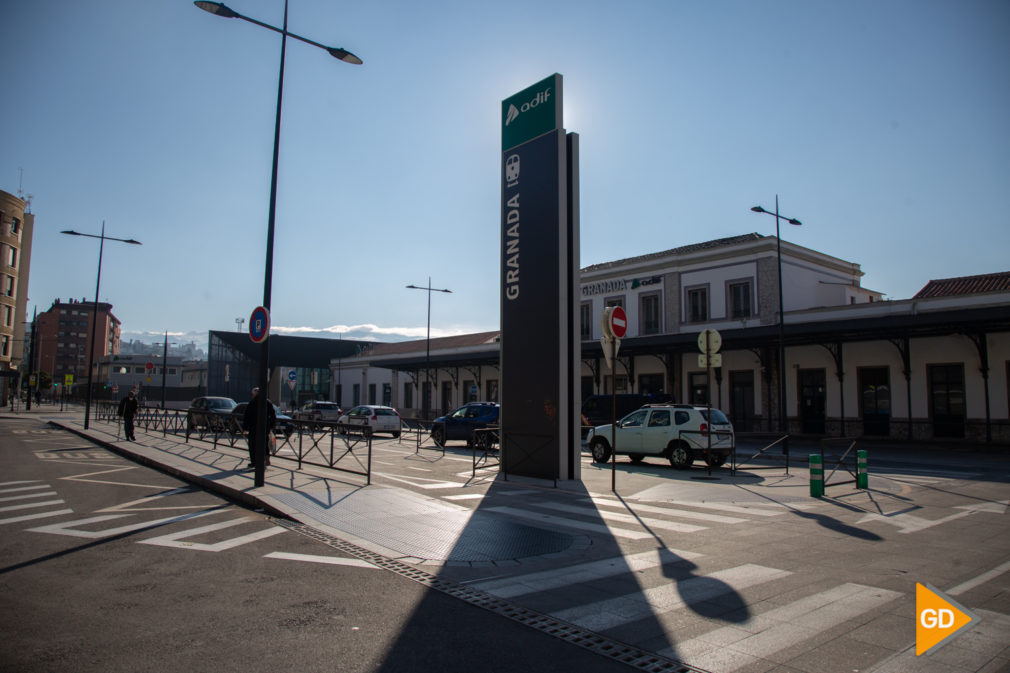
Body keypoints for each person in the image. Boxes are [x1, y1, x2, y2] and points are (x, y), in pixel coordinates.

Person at [243, 388, 276, 469]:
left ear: (255, 394)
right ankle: (266, 457)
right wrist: (271, 425)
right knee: (264, 443)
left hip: (254, 427)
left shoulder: (252, 402)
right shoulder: (268, 402)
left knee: (253, 444)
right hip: (265, 427)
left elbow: (247, 416)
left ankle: (254, 462)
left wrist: (245, 427)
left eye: (253, 394)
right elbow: (273, 415)